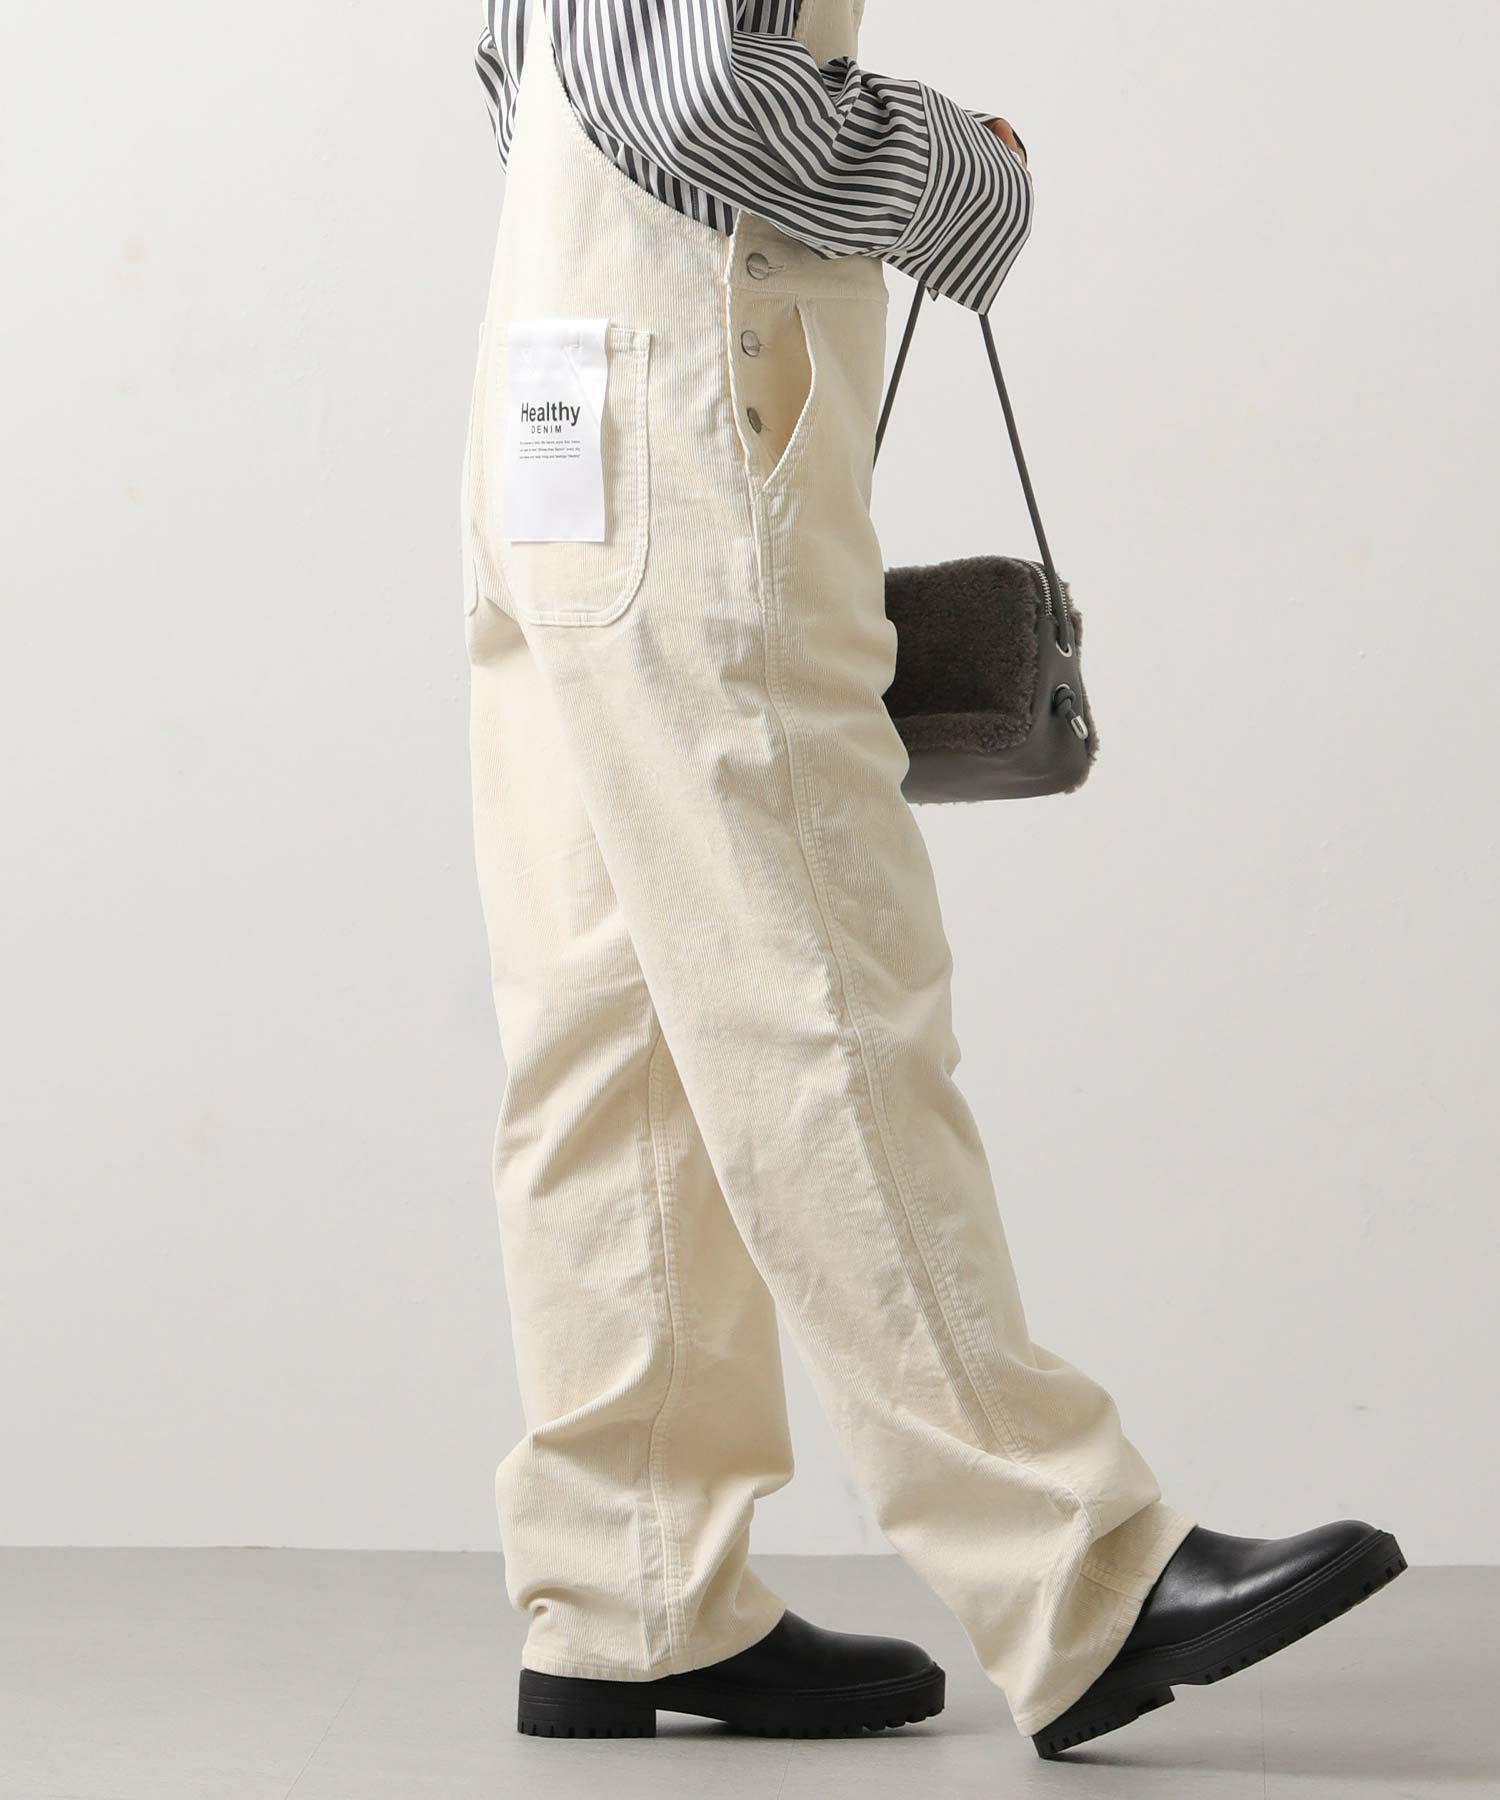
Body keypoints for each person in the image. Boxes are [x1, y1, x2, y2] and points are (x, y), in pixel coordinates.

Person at [460, 0, 1403, 1759]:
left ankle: (626, 1587)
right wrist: (958, 172)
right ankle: (1079, 1570)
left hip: (553, 379)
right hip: (688, 384)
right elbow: (692, 92)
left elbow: (533, 78)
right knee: (820, 992)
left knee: (609, 1019)